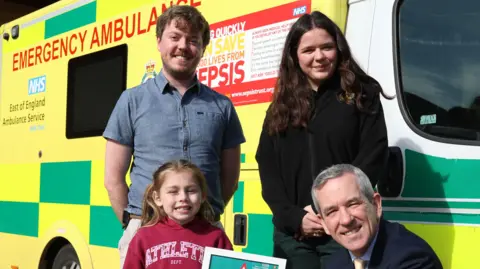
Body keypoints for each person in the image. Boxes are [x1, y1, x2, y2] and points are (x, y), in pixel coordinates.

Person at [103, 5, 245, 268]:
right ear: (159, 42)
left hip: (207, 232)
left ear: (202, 48)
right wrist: (134, 222)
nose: (184, 46)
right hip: (145, 228)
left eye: (193, 40)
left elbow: (230, 179)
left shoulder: (222, 106)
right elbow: (113, 178)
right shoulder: (132, 100)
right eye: (175, 37)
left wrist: (206, 213)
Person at [255, 11, 391, 269]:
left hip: (345, 230)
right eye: (309, 50)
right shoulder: (281, 105)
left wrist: (335, 210)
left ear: (338, 49)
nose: (319, 57)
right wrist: (293, 217)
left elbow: (373, 155)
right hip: (294, 236)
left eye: (327, 47)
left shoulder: (362, 95)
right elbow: (267, 166)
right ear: (295, 55)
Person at [312, 164, 443, 269]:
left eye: (353, 204)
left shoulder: (413, 259)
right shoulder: (334, 263)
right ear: (323, 224)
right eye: (332, 212)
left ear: (376, 204)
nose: (346, 220)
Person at [123, 159, 233, 269]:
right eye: (173, 191)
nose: (183, 198)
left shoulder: (216, 238)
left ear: (203, 196)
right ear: (157, 198)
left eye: (191, 190)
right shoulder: (143, 237)